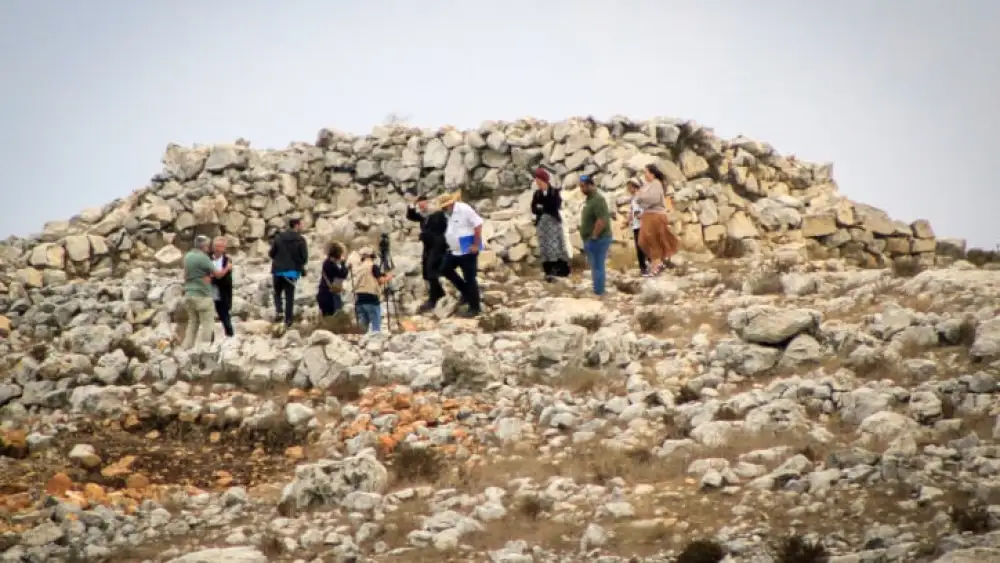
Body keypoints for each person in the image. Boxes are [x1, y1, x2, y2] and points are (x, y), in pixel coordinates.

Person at [438, 191, 483, 318]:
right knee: (445, 269)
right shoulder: (448, 214)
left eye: (444, 207)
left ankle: (475, 307)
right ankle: (466, 292)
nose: (443, 209)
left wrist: (476, 244)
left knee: (470, 277)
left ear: (450, 204)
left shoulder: (464, 209)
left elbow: (478, 224)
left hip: (468, 246)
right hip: (455, 249)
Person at [405, 194, 448, 312]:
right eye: (419, 205)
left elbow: (439, 232)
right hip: (428, 247)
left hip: (438, 247)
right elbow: (411, 215)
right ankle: (438, 293)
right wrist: (412, 204)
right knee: (426, 271)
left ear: (427, 202)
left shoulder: (437, 214)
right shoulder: (425, 216)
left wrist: (423, 235)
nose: (421, 207)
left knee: (431, 270)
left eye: (422, 204)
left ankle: (434, 298)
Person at [636, 164, 680, 276]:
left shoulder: (656, 184)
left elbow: (653, 199)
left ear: (652, 174)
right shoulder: (650, 185)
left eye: (646, 172)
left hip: (655, 216)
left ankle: (657, 264)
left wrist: (641, 197)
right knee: (644, 240)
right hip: (649, 215)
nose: (644, 175)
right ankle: (657, 263)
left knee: (652, 240)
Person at [181, 235, 225, 349]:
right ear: (204, 246)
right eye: (208, 245)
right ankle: (206, 350)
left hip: (189, 294)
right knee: (207, 324)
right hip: (203, 295)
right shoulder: (204, 258)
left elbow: (185, 276)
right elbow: (218, 274)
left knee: (193, 323)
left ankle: (186, 348)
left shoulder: (188, 256)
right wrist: (227, 268)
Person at [530, 168, 571, 281]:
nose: (537, 182)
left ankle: (559, 271)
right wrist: (543, 208)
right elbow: (534, 208)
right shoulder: (537, 194)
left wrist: (542, 207)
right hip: (542, 227)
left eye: (538, 180)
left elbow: (555, 206)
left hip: (553, 225)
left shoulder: (554, 192)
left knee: (555, 247)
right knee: (545, 248)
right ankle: (548, 271)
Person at [269, 218, 309, 328]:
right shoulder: (301, 240)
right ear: (296, 225)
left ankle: (279, 310)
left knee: (277, 292)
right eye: (301, 225)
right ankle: (288, 321)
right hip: (292, 272)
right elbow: (304, 258)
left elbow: (271, 253)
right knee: (289, 296)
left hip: (277, 270)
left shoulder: (279, 237)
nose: (301, 226)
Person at [578, 175, 613, 296]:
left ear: (590, 185)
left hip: (599, 239)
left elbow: (601, 220)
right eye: (580, 187)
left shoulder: (598, 200)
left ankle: (599, 291)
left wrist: (594, 235)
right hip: (591, 239)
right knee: (595, 266)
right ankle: (597, 289)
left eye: (583, 186)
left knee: (598, 266)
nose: (581, 189)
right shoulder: (589, 200)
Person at [351, 247, 393, 333]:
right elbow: (380, 280)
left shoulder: (360, 267)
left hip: (359, 298)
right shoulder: (373, 266)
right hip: (371, 298)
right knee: (376, 324)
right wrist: (389, 277)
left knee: (363, 326)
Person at [209, 236, 235, 338]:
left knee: (224, 315)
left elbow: (227, 279)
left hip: (222, 291)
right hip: (209, 290)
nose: (219, 249)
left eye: (221, 247)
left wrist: (215, 277)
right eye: (217, 246)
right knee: (208, 316)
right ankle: (209, 339)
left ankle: (230, 336)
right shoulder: (207, 258)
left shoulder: (227, 260)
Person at [317, 241, 349, 317]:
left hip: (323, 294)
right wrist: (344, 264)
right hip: (330, 296)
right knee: (336, 316)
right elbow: (342, 274)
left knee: (327, 318)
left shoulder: (326, 262)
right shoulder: (331, 265)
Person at [626, 178, 649, 276]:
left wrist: (638, 214)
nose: (628, 189)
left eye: (629, 187)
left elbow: (646, 209)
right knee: (639, 247)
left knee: (644, 247)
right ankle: (643, 268)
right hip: (636, 226)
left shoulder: (641, 196)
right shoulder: (633, 198)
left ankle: (649, 265)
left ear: (634, 186)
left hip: (643, 225)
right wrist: (628, 219)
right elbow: (633, 210)